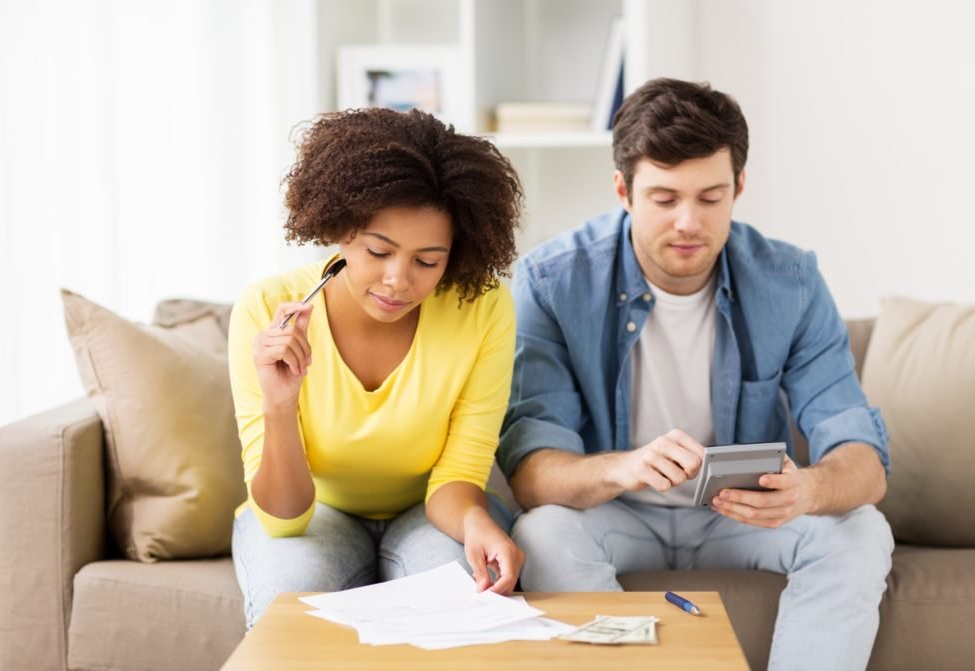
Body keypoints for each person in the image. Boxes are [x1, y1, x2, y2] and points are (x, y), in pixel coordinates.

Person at [498, 78, 893, 670]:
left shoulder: (792, 281)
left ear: (739, 187)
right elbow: (532, 472)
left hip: (741, 517)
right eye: (664, 199)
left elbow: (862, 458)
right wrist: (624, 467)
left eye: (710, 198)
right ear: (623, 191)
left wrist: (808, 489)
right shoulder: (552, 281)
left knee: (860, 530)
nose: (688, 222)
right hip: (619, 513)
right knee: (543, 532)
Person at [228, 108, 525, 628]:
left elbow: (457, 476)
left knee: (465, 607)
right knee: (287, 610)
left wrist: (478, 521)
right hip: (315, 513)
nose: (397, 280)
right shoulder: (266, 306)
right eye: (378, 251)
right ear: (341, 229)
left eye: (427, 262)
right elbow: (283, 520)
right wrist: (280, 403)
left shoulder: (482, 308)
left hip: (431, 510)